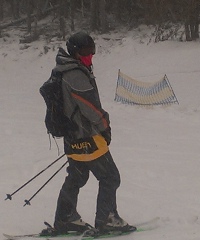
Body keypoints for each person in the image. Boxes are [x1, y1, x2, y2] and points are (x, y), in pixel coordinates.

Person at [47, 31, 136, 235]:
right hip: (87, 136)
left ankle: (65, 218)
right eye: (86, 51)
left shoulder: (62, 70)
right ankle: (106, 219)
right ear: (75, 52)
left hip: (72, 137)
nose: (90, 55)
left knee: (77, 177)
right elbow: (90, 108)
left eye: (92, 50)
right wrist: (105, 126)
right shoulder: (75, 74)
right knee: (110, 177)